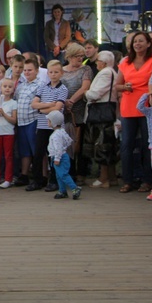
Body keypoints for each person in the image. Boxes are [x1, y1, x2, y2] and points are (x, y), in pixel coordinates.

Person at [116, 31, 152, 193]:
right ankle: (128, 181)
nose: (137, 44)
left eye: (141, 41)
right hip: (129, 105)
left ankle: (148, 180)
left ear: (148, 44)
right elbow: (117, 85)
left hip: (147, 106)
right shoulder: (125, 61)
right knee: (127, 145)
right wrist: (125, 87)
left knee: (147, 145)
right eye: (134, 42)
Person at [27, 60, 68, 192]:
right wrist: (50, 105)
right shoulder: (43, 86)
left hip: (55, 127)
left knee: (55, 153)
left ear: (61, 73)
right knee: (38, 153)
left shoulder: (63, 89)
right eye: (51, 72)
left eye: (56, 72)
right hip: (42, 125)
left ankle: (55, 180)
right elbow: (34, 104)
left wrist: (43, 108)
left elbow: (58, 107)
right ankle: (37, 180)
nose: (53, 74)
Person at [83, 51, 119, 187]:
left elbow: (95, 94)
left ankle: (104, 178)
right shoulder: (112, 72)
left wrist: (86, 92)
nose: (96, 62)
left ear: (103, 62)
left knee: (102, 144)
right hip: (107, 112)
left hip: (102, 114)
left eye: (98, 60)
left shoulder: (105, 73)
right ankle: (112, 177)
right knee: (108, 145)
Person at [60, 43, 93, 181]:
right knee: (66, 142)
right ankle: (69, 171)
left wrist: (71, 101)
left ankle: (81, 172)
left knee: (79, 141)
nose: (80, 59)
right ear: (69, 56)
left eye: (81, 56)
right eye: (77, 56)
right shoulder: (61, 70)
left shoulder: (86, 69)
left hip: (79, 109)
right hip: (63, 110)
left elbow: (85, 87)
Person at [12, 58, 40, 187]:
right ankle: (24, 175)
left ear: (37, 71)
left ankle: (39, 175)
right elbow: (16, 100)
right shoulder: (21, 85)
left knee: (36, 150)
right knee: (24, 151)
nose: (27, 72)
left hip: (33, 120)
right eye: (25, 70)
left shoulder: (40, 85)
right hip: (21, 122)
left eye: (30, 70)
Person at [46, 110, 81, 200]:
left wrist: (57, 158)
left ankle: (75, 188)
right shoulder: (62, 131)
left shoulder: (55, 135)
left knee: (63, 175)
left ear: (53, 123)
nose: (47, 122)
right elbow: (69, 141)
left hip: (59, 157)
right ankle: (62, 191)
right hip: (63, 156)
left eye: (49, 120)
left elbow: (58, 148)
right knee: (59, 175)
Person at [0, 78, 17, 188]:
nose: (7, 88)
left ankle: (8, 179)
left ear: (13, 89)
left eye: (9, 87)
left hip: (8, 132)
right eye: (5, 86)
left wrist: (4, 114)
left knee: (8, 156)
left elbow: (14, 120)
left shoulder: (13, 103)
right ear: (0, 88)